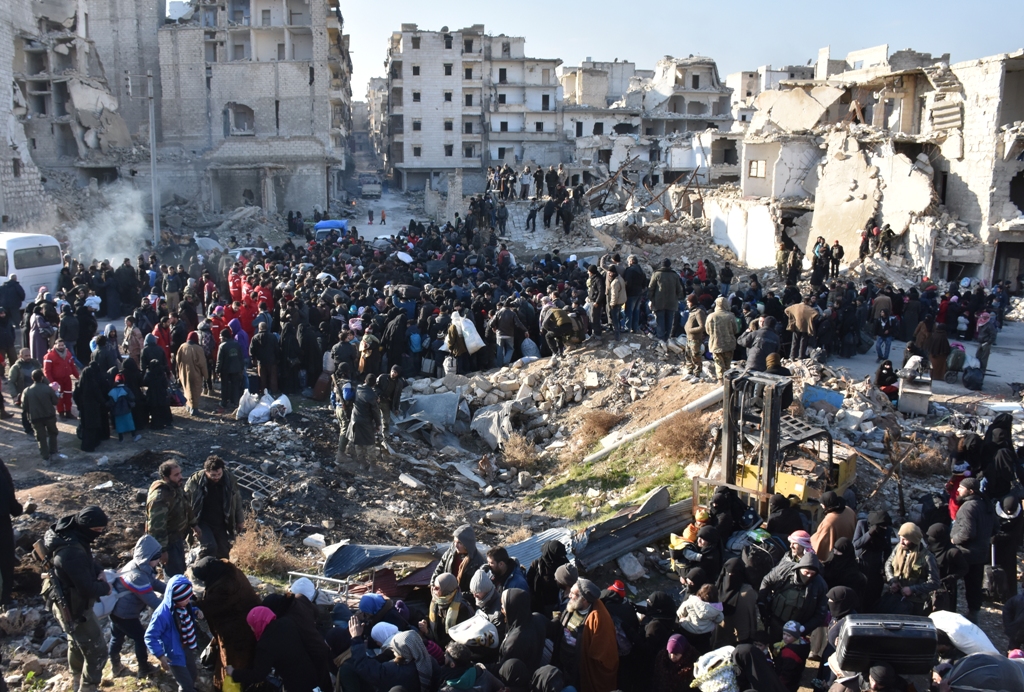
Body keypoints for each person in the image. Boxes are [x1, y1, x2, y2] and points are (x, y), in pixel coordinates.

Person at [42, 506, 112, 692]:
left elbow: (87, 561)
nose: (99, 534)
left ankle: (76, 679)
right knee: (98, 651)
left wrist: (99, 570)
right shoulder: (72, 553)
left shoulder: (68, 533)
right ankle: (88, 687)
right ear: (86, 527)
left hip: (62, 599)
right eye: (96, 530)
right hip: (74, 608)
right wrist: (106, 588)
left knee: (76, 641)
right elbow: (87, 588)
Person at [191, 557, 262, 691]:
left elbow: (212, 605)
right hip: (248, 623)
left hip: (238, 633)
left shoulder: (225, 586)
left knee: (232, 665)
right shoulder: (227, 570)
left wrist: (192, 605)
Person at [109, 535, 165, 677]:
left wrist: (171, 590)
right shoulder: (137, 576)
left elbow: (154, 583)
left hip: (116, 610)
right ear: (149, 557)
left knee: (116, 637)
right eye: (157, 558)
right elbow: (152, 601)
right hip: (125, 615)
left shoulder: (138, 565)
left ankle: (115, 666)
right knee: (141, 637)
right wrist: (172, 608)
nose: (159, 560)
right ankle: (143, 668)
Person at [556, 578, 618, 692]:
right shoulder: (574, 605)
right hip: (563, 661)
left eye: (573, 593)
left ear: (584, 599)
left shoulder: (598, 619)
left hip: (578, 668)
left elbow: (603, 656)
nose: (569, 595)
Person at [950, 477, 995, 622]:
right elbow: (995, 528)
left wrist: (953, 539)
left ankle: (950, 611)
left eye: (961, 488)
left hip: (965, 553)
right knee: (975, 585)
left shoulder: (968, 507)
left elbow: (967, 533)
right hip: (981, 552)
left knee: (951, 581)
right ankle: (974, 613)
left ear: (970, 491)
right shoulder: (986, 504)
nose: (958, 490)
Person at [146, 460, 201, 577]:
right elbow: (156, 528)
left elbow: (186, 506)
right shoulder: (160, 498)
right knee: (174, 575)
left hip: (178, 538)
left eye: (180, 473)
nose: (180, 477)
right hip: (168, 543)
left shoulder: (175, 487)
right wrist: (162, 551)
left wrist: (194, 525)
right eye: (176, 475)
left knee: (180, 569)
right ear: (166, 477)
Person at [184, 455, 244, 560]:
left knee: (223, 552)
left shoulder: (229, 479)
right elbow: (186, 503)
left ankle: (220, 570)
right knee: (209, 548)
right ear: (206, 472)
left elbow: (237, 500)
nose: (216, 477)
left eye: (219, 474)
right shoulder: (195, 481)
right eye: (213, 475)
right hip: (202, 522)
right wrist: (191, 524)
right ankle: (200, 568)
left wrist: (240, 520)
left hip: (221, 522)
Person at [758, 552, 828, 641]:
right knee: (774, 643)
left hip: (797, 629)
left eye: (812, 574)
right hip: (776, 620)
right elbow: (767, 581)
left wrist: (804, 628)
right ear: (800, 568)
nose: (809, 576)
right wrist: (762, 603)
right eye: (806, 572)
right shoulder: (784, 570)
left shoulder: (820, 586)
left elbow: (821, 614)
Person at [882, 522, 940, 616]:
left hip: (915, 602)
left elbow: (934, 582)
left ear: (914, 540)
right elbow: (888, 564)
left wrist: (912, 589)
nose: (901, 542)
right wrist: (892, 580)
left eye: (905, 539)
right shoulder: (899, 548)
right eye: (900, 538)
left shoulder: (927, 557)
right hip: (897, 596)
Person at [713, 558, 759, 646]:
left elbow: (752, 616)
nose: (730, 576)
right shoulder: (719, 587)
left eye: (733, 574)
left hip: (740, 637)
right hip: (721, 634)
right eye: (728, 573)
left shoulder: (747, 592)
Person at [499, 588, 547, 672]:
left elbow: (503, 668)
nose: (501, 608)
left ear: (512, 607)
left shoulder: (514, 642)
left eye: (503, 604)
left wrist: (482, 668)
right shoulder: (538, 618)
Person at [434, 525, 486, 600]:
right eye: (454, 542)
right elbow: (440, 567)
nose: (456, 545)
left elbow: (477, 590)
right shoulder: (451, 551)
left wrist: (458, 596)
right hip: (444, 594)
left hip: (462, 600)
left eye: (459, 543)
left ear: (467, 544)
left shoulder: (478, 562)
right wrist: (433, 584)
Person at [73, 351, 111, 452]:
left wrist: (79, 406)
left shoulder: (79, 386)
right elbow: (99, 397)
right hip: (93, 409)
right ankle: (93, 444)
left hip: (84, 409)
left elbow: (75, 396)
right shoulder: (93, 385)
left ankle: (86, 445)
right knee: (93, 427)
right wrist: (105, 403)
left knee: (86, 427)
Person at [927, 523, 969, 612]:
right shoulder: (929, 549)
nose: (929, 539)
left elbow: (964, 568)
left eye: (933, 537)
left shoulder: (953, 552)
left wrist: (951, 578)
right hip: (929, 585)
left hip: (945, 589)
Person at [342, 373, 382, 467]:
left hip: (355, 419)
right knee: (370, 443)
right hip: (366, 422)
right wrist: (378, 424)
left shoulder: (358, 388)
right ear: (374, 384)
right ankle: (372, 466)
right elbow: (375, 411)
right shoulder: (372, 395)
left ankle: (362, 464)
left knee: (358, 442)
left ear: (365, 381)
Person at [22, 368, 62, 462]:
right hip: (49, 416)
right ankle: (53, 452)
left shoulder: (27, 391)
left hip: (35, 418)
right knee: (52, 433)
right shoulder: (48, 389)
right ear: (42, 377)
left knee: (41, 438)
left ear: (32, 378)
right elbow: (55, 402)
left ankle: (45, 457)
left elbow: (24, 406)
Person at [527, 539, 569, 616]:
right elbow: (529, 582)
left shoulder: (564, 563)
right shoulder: (537, 565)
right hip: (544, 604)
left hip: (562, 602)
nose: (561, 557)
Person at [676, 582, 723, 651]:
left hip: (687, 630)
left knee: (684, 649)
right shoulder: (716, 609)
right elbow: (719, 619)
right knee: (700, 651)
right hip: (704, 634)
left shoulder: (691, 601)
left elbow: (679, 612)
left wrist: (682, 618)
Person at [810, 491, 856, 560]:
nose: (821, 505)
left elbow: (821, 543)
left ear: (826, 505)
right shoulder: (849, 510)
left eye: (822, 503)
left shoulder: (829, 521)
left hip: (837, 556)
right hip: (849, 550)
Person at [43, 339, 79, 419]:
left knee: (68, 396)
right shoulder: (49, 356)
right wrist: (52, 383)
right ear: (55, 345)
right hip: (57, 381)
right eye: (59, 345)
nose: (61, 347)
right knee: (59, 397)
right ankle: (61, 413)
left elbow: (72, 367)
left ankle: (68, 412)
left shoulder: (68, 353)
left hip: (67, 379)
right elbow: (47, 371)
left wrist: (78, 377)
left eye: (62, 345)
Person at [705, 297, 737, 383]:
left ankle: (720, 381)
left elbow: (707, 331)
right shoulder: (730, 316)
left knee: (718, 364)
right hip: (729, 344)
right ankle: (728, 381)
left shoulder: (711, 316)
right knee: (727, 364)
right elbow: (735, 330)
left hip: (716, 344)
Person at [175, 332, 207, 416]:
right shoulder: (198, 349)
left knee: (187, 390)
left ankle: (188, 406)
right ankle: (194, 409)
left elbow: (177, 361)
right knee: (195, 391)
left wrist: (178, 373)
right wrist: (206, 376)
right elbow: (202, 364)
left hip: (184, 373)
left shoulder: (182, 346)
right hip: (195, 374)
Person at [648, 259, 682, 341]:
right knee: (669, 321)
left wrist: (651, 299)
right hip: (672, 303)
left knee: (660, 321)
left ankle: (661, 339)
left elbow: (651, 288)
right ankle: (667, 339)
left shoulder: (656, 274)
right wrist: (676, 298)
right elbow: (679, 290)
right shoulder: (675, 275)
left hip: (659, 302)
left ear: (662, 265)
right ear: (669, 265)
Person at [216, 328, 245, 414]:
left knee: (225, 386)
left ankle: (224, 402)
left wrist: (217, 370)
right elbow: (241, 357)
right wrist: (241, 368)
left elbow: (219, 360)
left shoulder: (222, 346)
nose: (220, 339)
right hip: (236, 369)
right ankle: (235, 402)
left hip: (225, 370)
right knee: (235, 386)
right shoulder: (237, 344)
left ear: (224, 337)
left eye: (221, 337)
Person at [108, 373, 139, 442]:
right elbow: (132, 397)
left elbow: (111, 402)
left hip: (117, 411)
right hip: (127, 410)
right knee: (130, 423)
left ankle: (121, 439)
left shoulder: (112, 391)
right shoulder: (126, 389)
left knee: (119, 425)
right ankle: (134, 436)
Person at [375, 365, 406, 432]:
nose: (393, 373)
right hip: (378, 400)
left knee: (386, 421)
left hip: (387, 403)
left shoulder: (399, 383)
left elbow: (398, 396)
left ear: (398, 374)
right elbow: (375, 387)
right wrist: (380, 395)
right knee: (374, 418)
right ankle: (372, 434)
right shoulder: (382, 377)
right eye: (392, 371)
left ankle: (385, 436)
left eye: (395, 372)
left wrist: (396, 408)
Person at [683, 295, 707, 379]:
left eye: (688, 302)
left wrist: (691, 330)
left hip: (695, 339)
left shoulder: (698, 312)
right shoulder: (692, 312)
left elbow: (702, 326)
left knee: (696, 356)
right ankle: (690, 372)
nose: (687, 304)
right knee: (688, 355)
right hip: (689, 338)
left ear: (692, 302)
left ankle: (697, 374)